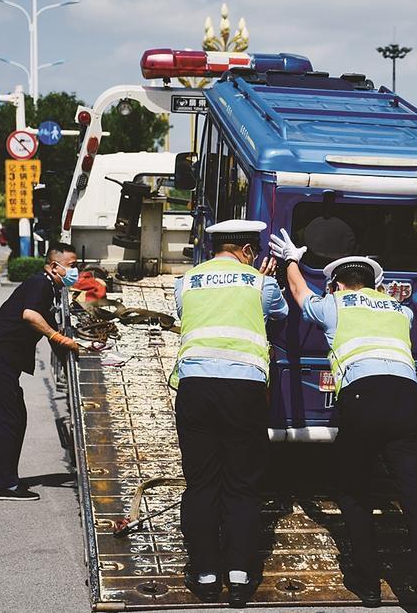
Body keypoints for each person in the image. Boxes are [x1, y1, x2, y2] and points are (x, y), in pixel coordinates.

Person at [268, 229, 417, 613]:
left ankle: (368, 585)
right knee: (416, 495)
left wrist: (293, 261)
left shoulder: (335, 305)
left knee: (353, 491)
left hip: (363, 399)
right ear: (375, 284)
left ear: (336, 284)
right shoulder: (402, 310)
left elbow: (300, 295)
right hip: (409, 400)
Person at [171, 220, 287, 606]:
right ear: (248, 251)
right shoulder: (260, 283)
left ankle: (204, 574)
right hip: (244, 390)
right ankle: (239, 576)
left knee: (202, 483)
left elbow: (188, 315)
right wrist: (260, 278)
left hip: (196, 388)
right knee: (241, 484)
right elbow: (280, 316)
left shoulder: (186, 281)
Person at [0, 242, 81, 502]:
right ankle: (4, 485)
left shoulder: (50, 288)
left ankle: (8, 478)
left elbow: (53, 335)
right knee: (5, 419)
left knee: (15, 417)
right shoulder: (40, 284)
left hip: (1, 361)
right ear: (55, 266)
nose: (77, 271)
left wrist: (72, 357)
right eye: (73, 266)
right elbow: (31, 316)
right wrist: (59, 337)